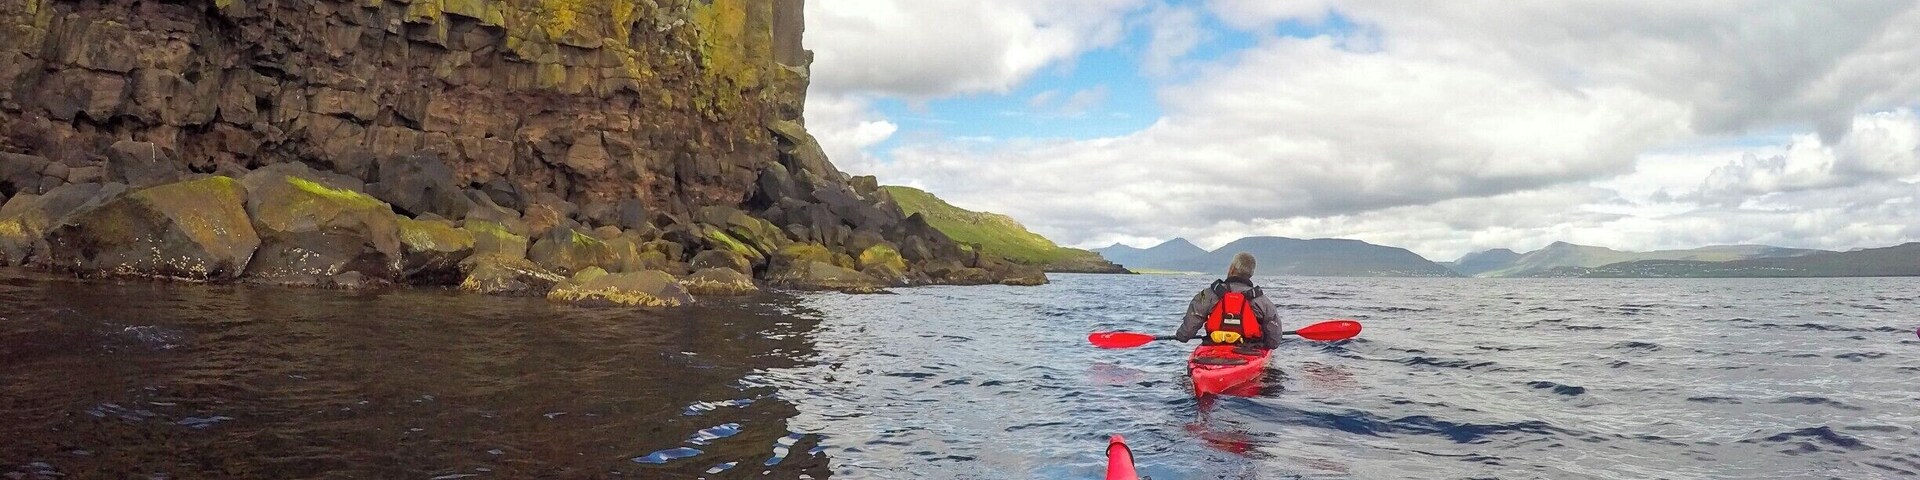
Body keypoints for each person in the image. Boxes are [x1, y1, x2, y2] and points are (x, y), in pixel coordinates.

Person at [1175, 252, 1282, 350]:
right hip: (1249, 351)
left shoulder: (1206, 295)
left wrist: (1181, 335)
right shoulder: (1263, 302)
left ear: (1231, 269)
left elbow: (1186, 333)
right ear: (1251, 274)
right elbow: (1274, 342)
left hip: (1213, 351)